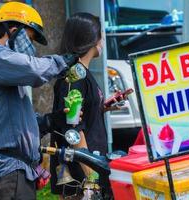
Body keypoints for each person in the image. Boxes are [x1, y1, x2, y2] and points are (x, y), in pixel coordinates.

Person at [0, 2, 78, 200]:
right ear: (12, 30)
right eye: (29, 38)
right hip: (7, 175)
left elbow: (11, 121)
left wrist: (46, 122)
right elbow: (34, 69)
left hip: (12, 173)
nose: (31, 46)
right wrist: (63, 61)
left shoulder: (4, 71)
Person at [50, 12, 124, 199]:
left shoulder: (80, 73)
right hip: (79, 176)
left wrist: (102, 107)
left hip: (85, 169)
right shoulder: (75, 75)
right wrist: (92, 178)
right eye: (101, 36)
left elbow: (78, 115)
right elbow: (73, 131)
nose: (102, 42)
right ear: (91, 39)